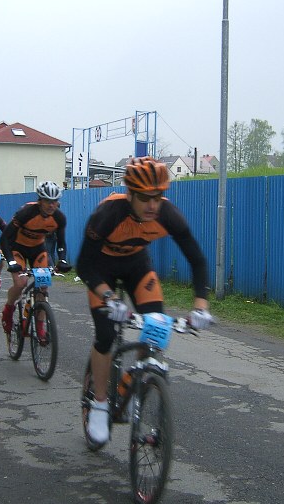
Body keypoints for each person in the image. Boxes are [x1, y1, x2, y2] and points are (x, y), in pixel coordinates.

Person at [76, 156, 213, 446]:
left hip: (136, 265)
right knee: (105, 334)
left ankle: (138, 382)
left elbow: (197, 260)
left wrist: (201, 304)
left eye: (158, 197)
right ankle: (100, 403)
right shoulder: (109, 214)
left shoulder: (168, 215)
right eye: (145, 198)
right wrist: (109, 297)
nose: (153, 205)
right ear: (130, 194)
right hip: (101, 269)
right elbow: (84, 265)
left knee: (157, 328)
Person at [0, 181, 71, 337]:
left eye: (54, 201)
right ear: (40, 200)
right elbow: (4, 238)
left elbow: (61, 242)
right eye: (47, 201)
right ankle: (8, 309)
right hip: (17, 248)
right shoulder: (26, 212)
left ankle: (40, 326)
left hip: (38, 250)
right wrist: (11, 261)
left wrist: (62, 260)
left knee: (43, 286)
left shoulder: (59, 218)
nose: (51, 205)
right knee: (21, 283)